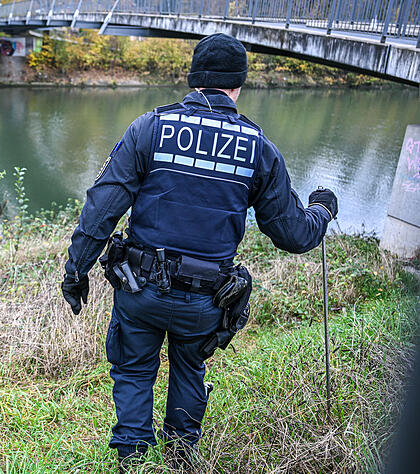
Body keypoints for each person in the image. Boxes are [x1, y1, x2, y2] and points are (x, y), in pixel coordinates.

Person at [60, 33, 338, 468]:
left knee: (134, 371)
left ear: (194, 79)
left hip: (140, 290)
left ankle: (132, 459)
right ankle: (181, 458)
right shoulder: (258, 148)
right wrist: (322, 210)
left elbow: (102, 208)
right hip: (207, 299)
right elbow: (294, 234)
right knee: (189, 370)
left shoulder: (149, 128)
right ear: (238, 85)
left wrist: (76, 271)